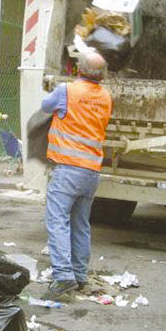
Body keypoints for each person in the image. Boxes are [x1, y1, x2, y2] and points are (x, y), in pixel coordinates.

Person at [40, 52, 112, 301]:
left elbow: (45, 106)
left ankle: (63, 276)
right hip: (91, 170)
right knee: (81, 223)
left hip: (68, 168)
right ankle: (80, 275)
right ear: (103, 74)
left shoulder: (66, 90)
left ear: (77, 69)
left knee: (57, 220)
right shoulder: (105, 96)